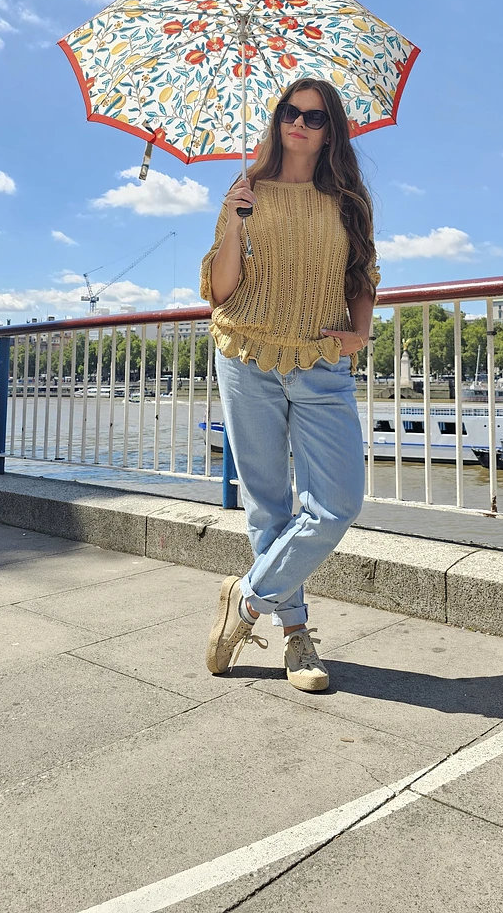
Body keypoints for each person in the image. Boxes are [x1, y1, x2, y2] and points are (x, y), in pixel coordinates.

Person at [200, 77, 379, 692]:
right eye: (289, 111)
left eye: (315, 116)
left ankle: (247, 599)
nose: (299, 123)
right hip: (246, 352)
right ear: (277, 119)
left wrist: (360, 333)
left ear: (332, 131)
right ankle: (296, 637)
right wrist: (233, 223)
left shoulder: (348, 201)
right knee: (269, 504)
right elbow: (220, 290)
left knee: (338, 504)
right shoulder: (246, 191)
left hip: (321, 361)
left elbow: (362, 275)